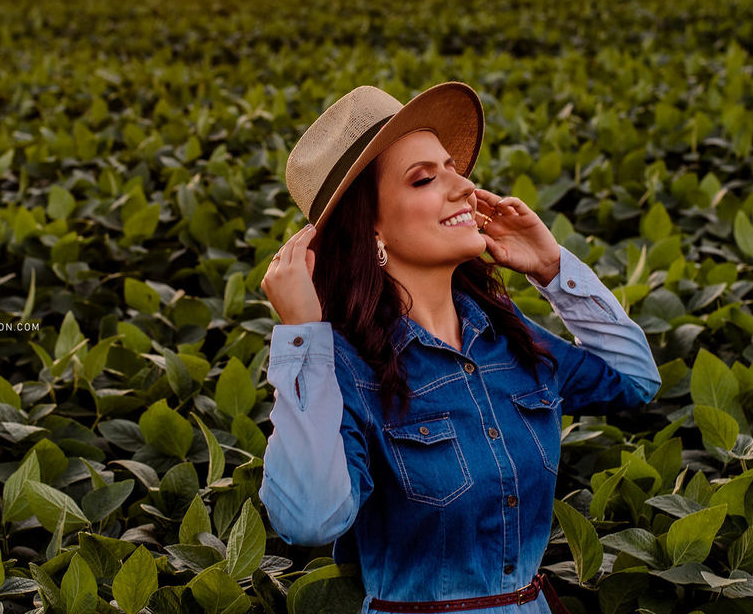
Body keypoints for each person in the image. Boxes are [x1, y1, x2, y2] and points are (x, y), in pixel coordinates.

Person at [257, 82, 660, 614]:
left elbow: (635, 381)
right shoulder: (346, 370)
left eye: (453, 167)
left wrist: (552, 268)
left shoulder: (507, 337)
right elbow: (309, 520)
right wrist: (302, 336)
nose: (464, 187)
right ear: (370, 226)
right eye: (426, 178)